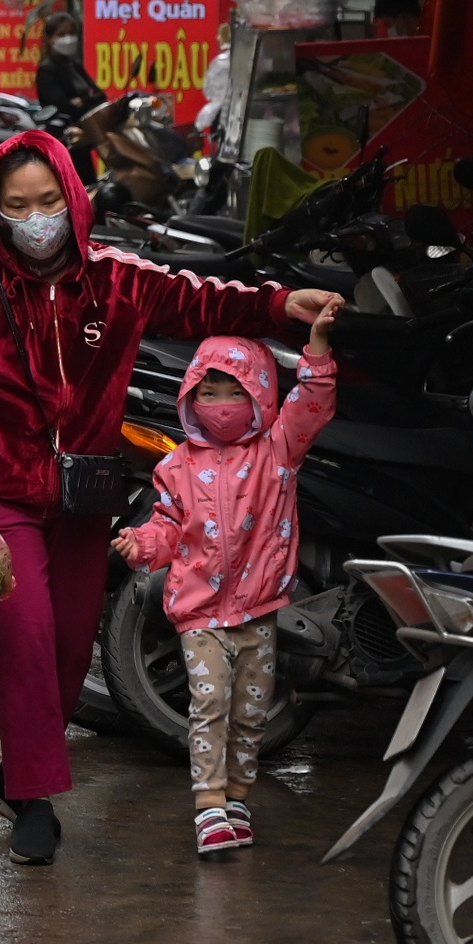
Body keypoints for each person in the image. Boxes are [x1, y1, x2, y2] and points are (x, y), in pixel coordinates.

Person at [0, 129, 336, 865]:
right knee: (28, 636)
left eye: (48, 200)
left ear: (73, 198)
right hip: (0, 491)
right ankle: (34, 800)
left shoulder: (118, 278)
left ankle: (20, 767)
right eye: (18, 205)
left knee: (74, 646)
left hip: (86, 492)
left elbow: (201, 300)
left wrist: (279, 305)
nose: (36, 217)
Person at [114, 309, 341, 855]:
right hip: (198, 613)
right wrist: (142, 544)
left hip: (259, 610)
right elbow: (168, 528)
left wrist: (317, 352)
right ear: (192, 397)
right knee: (209, 705)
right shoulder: (177, 468)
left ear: (260, 397)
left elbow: (311, 407)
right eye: (208, 394)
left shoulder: (279, 452)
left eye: (232, 394)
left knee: (251, 711)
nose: (219, 407)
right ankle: (209, 804)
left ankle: (237, 796)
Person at [35, 16, 109, 183]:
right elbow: (62, 105)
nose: (67, 39)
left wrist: (82, 100)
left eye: (71, 33)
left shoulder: (74, 65)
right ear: (49, 38)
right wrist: (85, 99)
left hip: (83, 137)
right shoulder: (47, 70)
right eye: (61, 34)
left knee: (90, 184)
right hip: (64, 140)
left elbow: (100, 95)